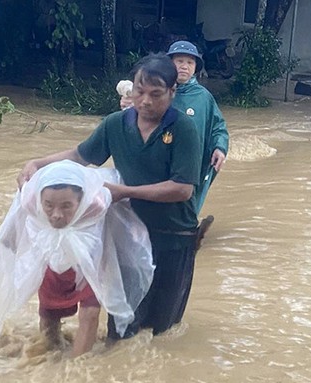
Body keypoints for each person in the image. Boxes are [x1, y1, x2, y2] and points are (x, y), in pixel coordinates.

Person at [17, 54, 203, 340]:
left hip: (173, 237)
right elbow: (81, 156)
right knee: (123, 325)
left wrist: (124, 192)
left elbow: (183, 188)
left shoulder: (183, 129)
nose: (146, 102)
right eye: (140, 93)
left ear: (172, 92)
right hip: (126, 235)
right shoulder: (116, 124)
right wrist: (38, 164)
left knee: (161, 330)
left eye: (156, 94)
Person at [0, 160, 154, 356]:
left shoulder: (97, 203)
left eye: (67, 206)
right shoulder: (29, 201)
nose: (57, 215)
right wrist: (8, 242)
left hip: (89, 263)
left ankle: (77, 367)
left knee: (90, 313)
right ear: (39, 200)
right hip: (51, 261)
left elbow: (120, 215)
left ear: (82, 200)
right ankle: (48, 358)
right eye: (49, 206)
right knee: (49, 317)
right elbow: (13, 228)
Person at [166, 40, 229, 247]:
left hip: (193, 164)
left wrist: (220, 147)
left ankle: (184, 239)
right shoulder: (159, 93)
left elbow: (218, 127)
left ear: (195, 68)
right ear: (169, 64)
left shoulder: (203, 98)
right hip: (162, 160)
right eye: (179, 61)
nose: (184, 66)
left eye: (190, 62)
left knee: (186, 203)